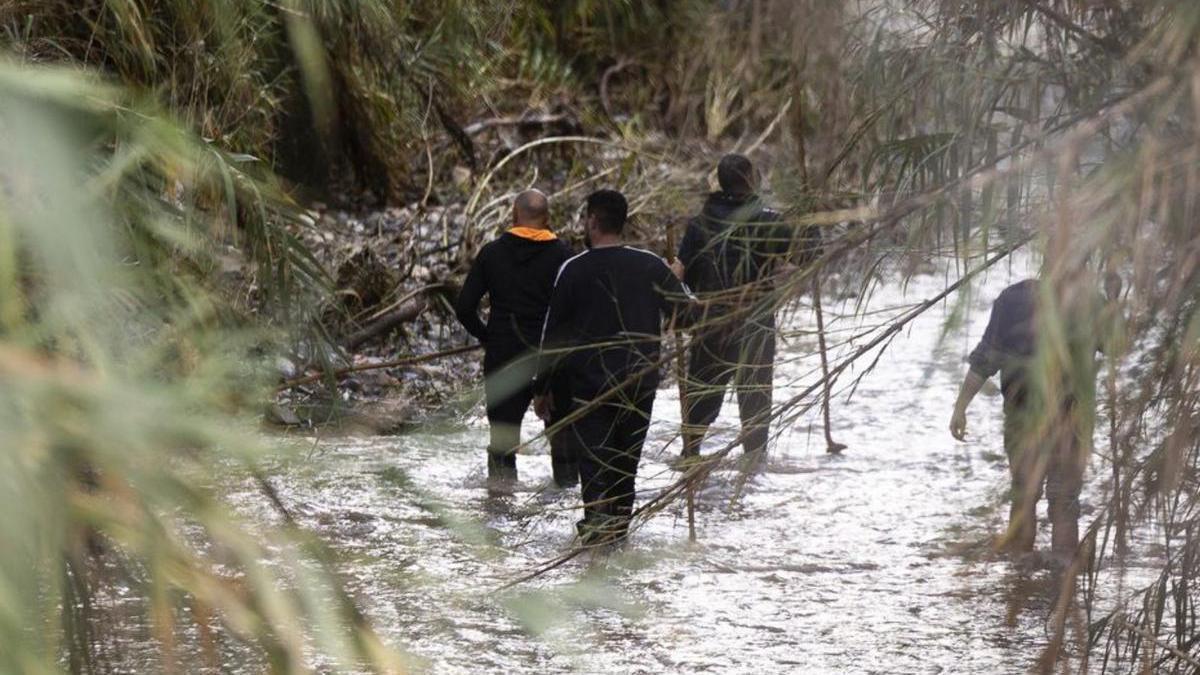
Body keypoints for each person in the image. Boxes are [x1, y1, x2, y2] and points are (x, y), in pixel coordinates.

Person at [534, 189, 693, 544]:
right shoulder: (651, 265)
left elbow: (552, 338)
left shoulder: (573, 269)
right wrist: (678, 281)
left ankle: (596, 543)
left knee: (594, 470)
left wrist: (542, 388)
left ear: (592, 221)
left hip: (591, 389)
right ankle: (618, 538)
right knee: (625, 469)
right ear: (623, 222)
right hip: (639, 384)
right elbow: (687, 314)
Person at [673, 154, 821, 465]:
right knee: (755, 405)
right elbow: (810, 255)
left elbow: (679, 274)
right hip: (756, 326)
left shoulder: (700, 224)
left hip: (710, 323)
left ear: (720, 182)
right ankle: (754, 469)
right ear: (752, 181)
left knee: (701, 400)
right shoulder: (768, 222)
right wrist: (810, 221)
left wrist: (680, 313)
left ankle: (689, 459)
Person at [950, 270, 1103, 564]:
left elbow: (985, 360)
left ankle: (1020, 575)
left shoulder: (1013, 299)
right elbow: (1116, 346)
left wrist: (960, 408)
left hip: (1023, 419)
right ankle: (1062, 571)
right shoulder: (1089, 300)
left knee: (1024, 494)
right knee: (1064, 499)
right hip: (1072, 421)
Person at [455, 189, 577, 488]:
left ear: (513, 214)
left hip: (504, 357)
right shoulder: (564, 256)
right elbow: (575, 313)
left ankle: (500, 506)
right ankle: (565, 498)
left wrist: (487, 336)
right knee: (562, 438)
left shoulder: (492, 253)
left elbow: (464, 308)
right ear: (547, 219)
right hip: (552, 359)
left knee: (502, 443)